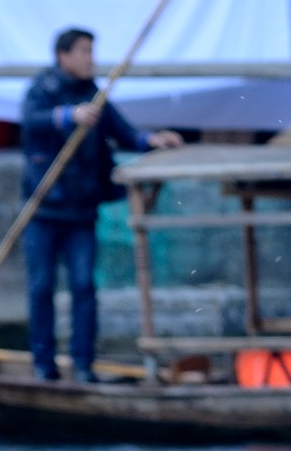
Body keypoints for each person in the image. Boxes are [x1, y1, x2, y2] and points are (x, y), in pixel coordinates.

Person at [20, 27, 183, 382]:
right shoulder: (43, 89)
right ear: (63, 56)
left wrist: (153, 140)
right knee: (42, 287)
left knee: (83, 287)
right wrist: (67, 116)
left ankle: (83, 364)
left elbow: (124, 133)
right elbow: (32, 121)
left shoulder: (96, 96)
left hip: (81, 210)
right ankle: (43, 364)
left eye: (91, 52)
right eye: (83, 52)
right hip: (44, 210)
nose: (90, 59)